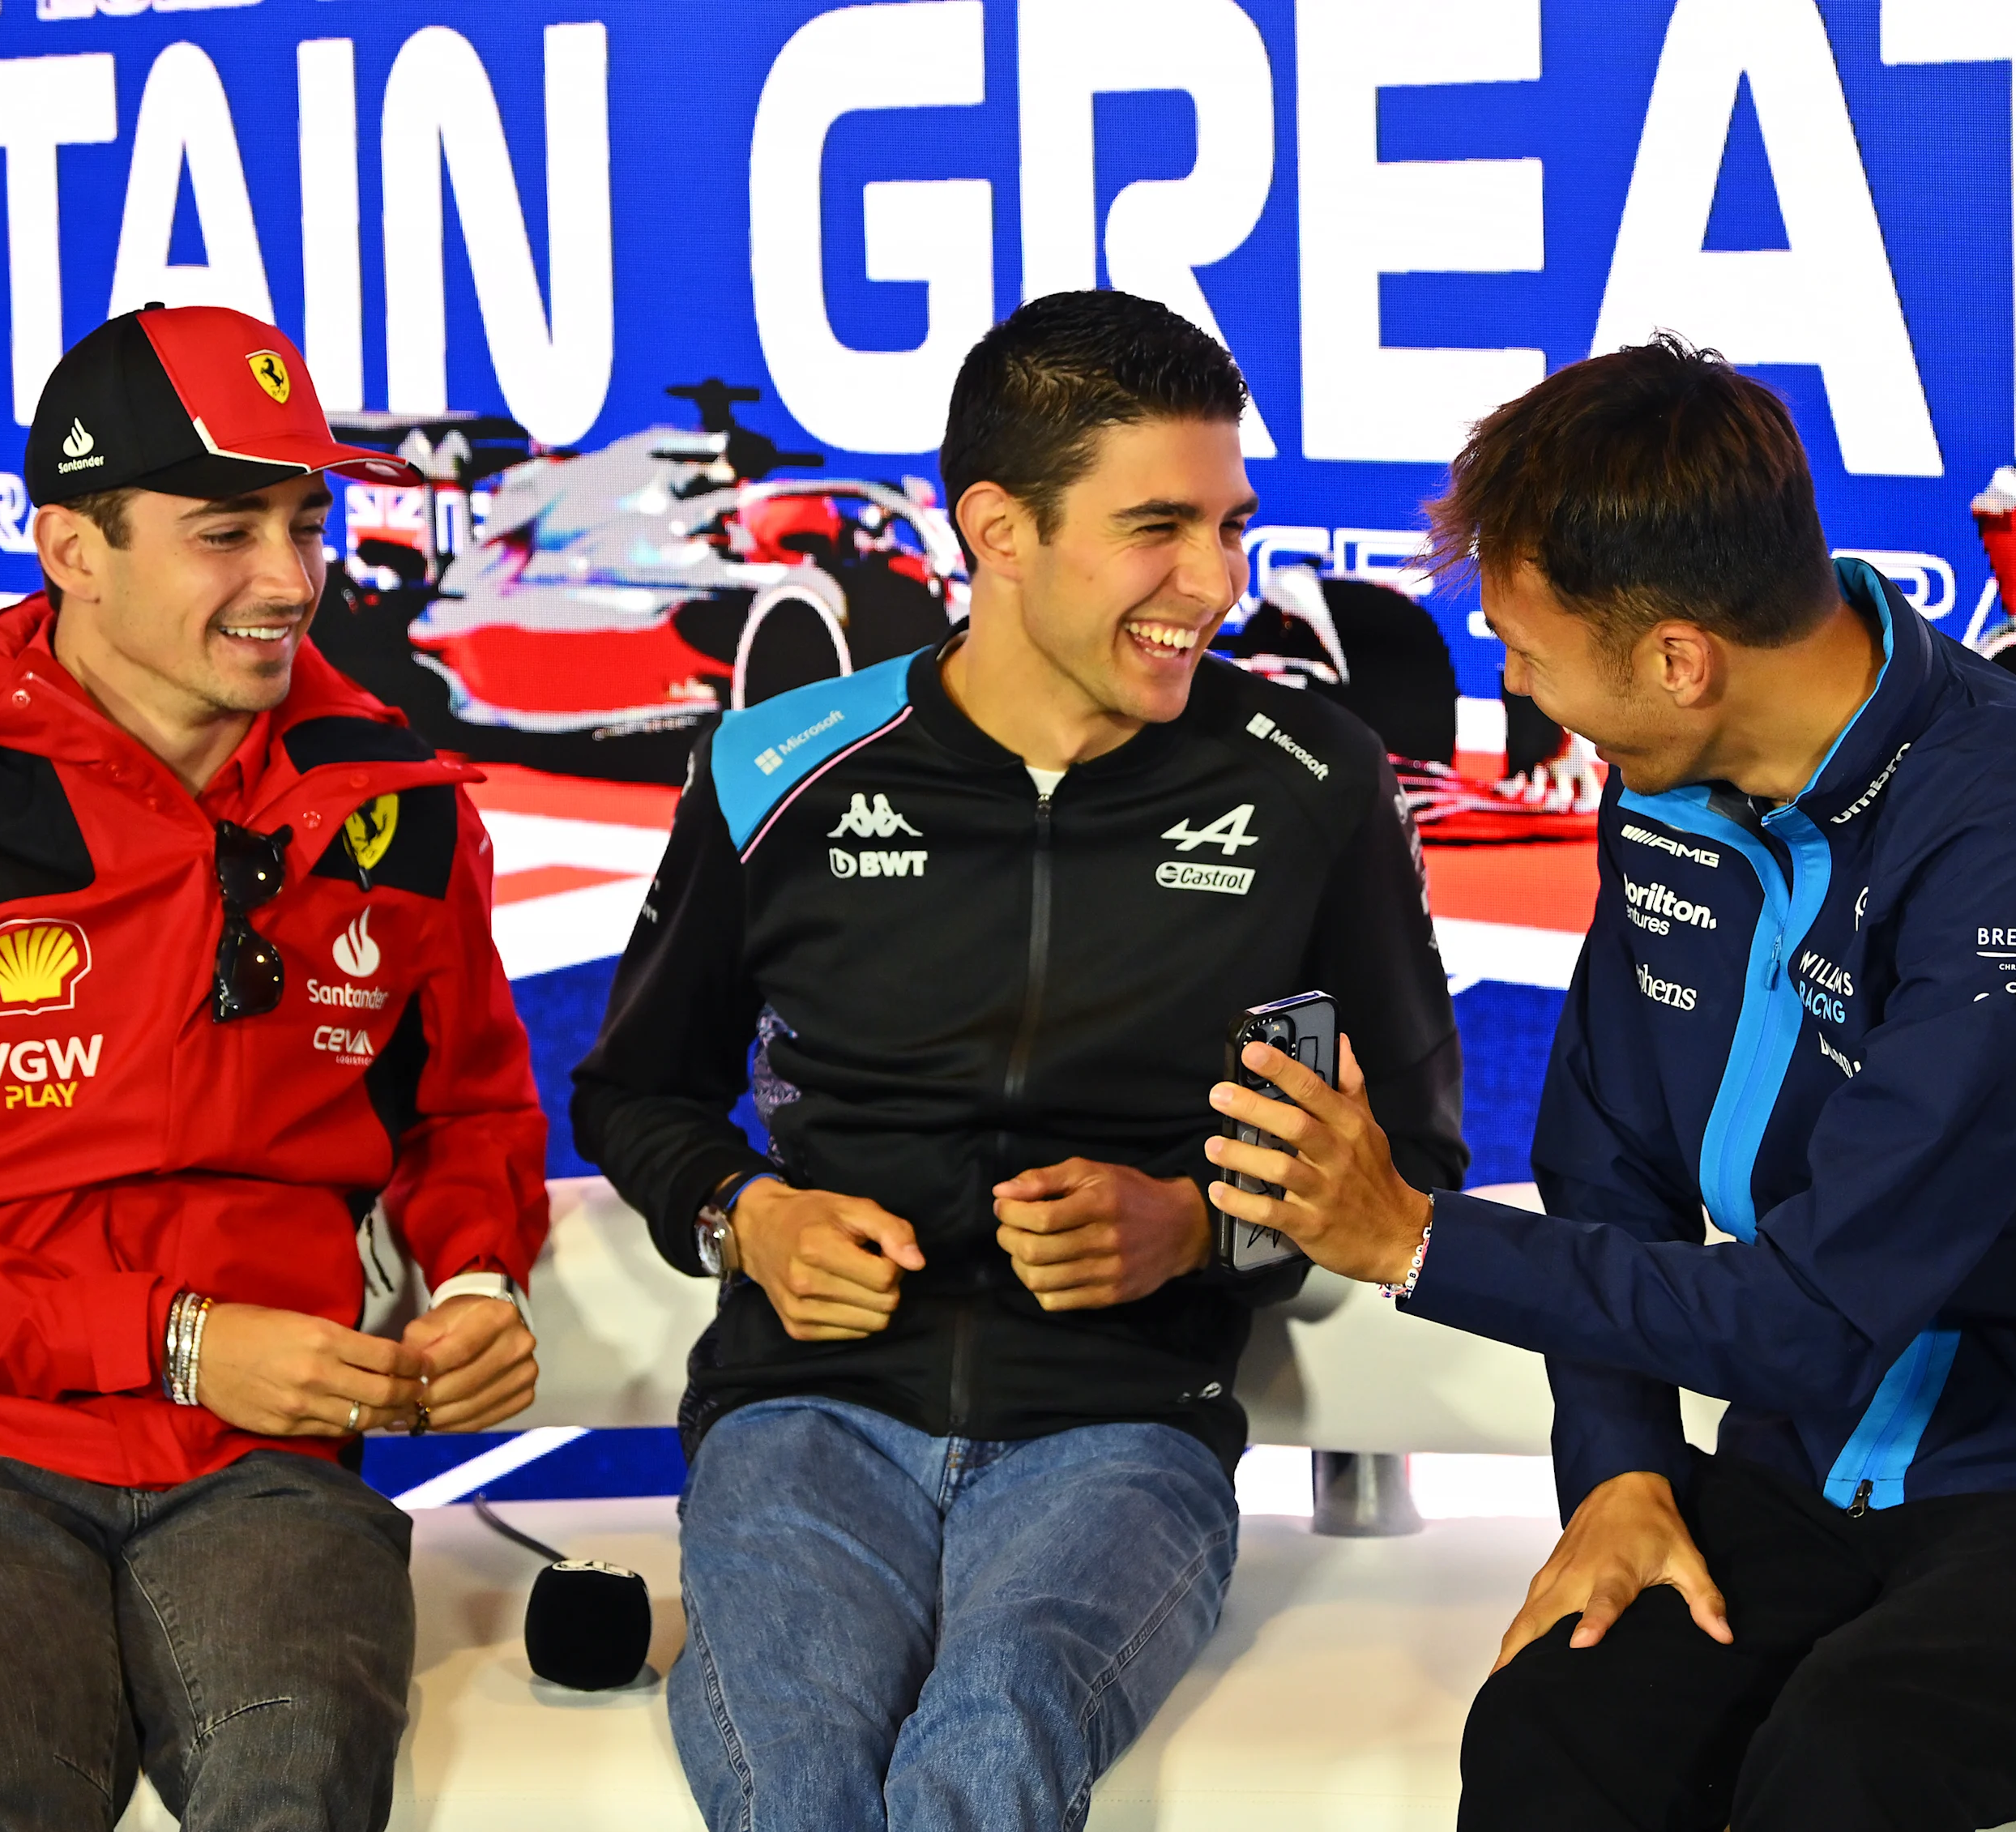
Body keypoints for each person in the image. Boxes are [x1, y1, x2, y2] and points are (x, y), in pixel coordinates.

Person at [1204, 336, 2016, 1832]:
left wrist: (1410, 1236)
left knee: (1848, 1762)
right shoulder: (1670, 787)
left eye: (1527, 648)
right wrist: (1620, 1472)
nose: (1513, 683)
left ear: (1681, 659)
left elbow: (1811, 1312)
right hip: (1815, 1463)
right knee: (1553, 1731)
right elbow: (1609, 1173)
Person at [572, 289, 1467, 1830]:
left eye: (1230, 526)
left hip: (1124, 1428)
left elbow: (1411, 1157)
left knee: (992, 1736)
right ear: (998, 528)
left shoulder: (1311, 787)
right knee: (798, 1766)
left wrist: (1194, 1228)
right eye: (1158, 529)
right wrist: (747, 1217)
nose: (1216, 583)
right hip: (802, 1412)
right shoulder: (778, 771)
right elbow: (634, 1095)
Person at [0, 305, 549, 1832]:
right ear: (71, 549)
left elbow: (468, 1111)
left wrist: (481, 1277)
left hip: (270, 1458)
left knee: (295, 1802)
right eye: (225, 532)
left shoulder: (404, 808)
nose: (290, 579)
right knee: (7, 1804)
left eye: (306, 523)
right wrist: (174, 1340)